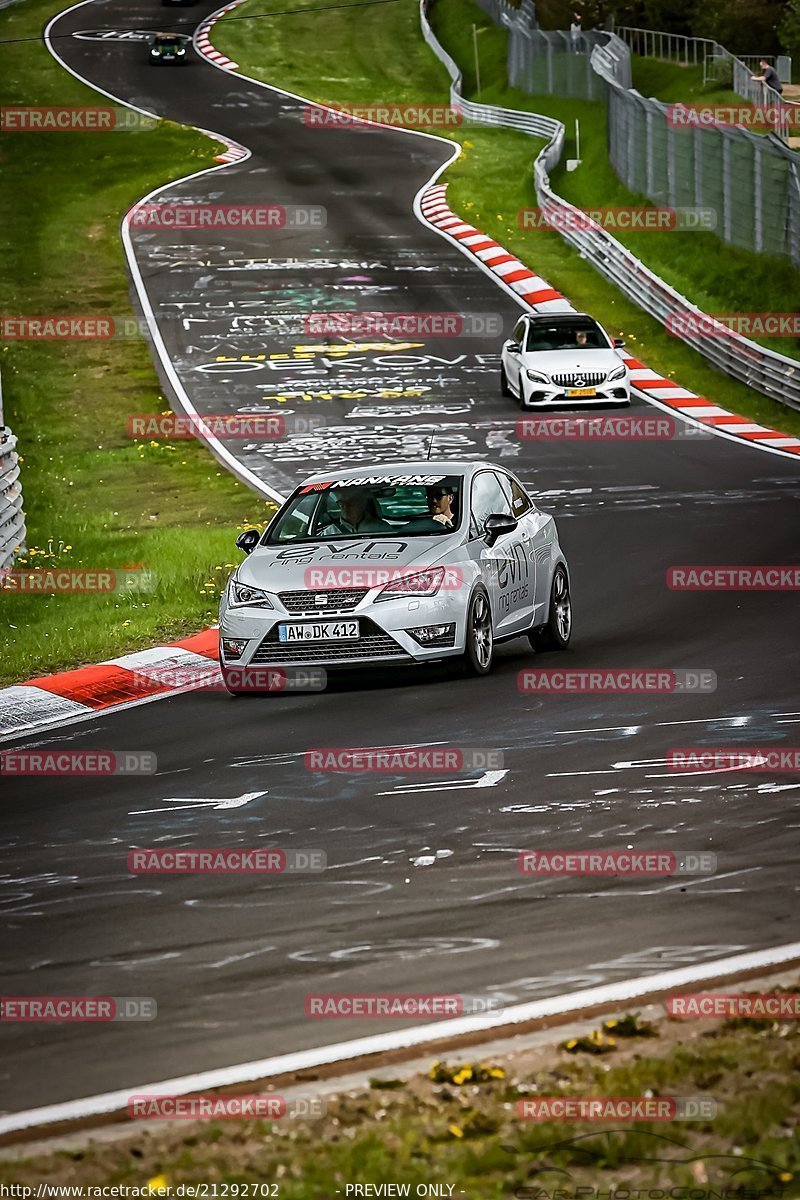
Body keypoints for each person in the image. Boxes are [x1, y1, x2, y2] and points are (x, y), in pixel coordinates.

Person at [321, 488, 392, 535]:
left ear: (362, 504)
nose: (346, 508)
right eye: (342, 505)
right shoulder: (329, 532)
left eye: (350, 504)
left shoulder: (381, 528)